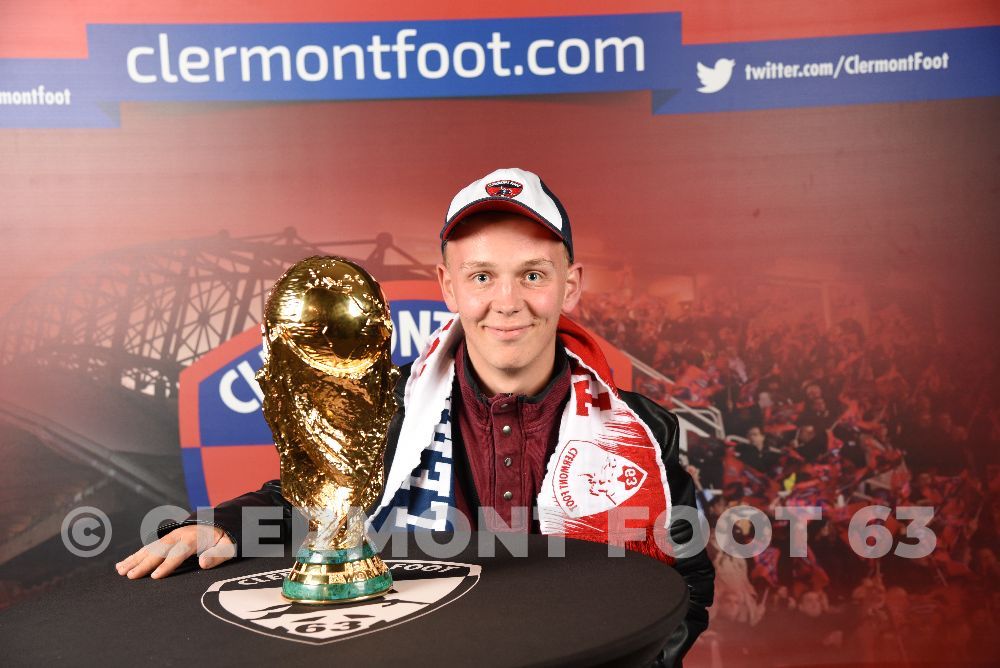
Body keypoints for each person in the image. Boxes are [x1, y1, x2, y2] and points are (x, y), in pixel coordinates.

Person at [115, 168, 714, 665]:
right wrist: (224, 525)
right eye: (482, 276)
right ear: (448, 287)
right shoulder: (388, 404)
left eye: (532, 275)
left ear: (570, 285)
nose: (507, 302)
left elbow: (685, 585)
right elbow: (321, 503)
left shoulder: (644, 429)